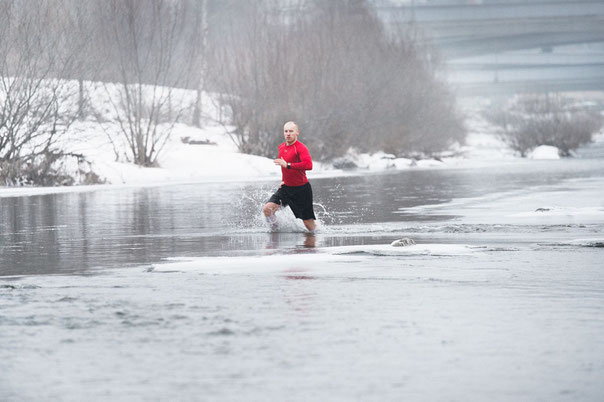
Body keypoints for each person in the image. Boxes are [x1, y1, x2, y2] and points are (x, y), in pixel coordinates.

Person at [263, 121, 316, 232]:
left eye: (291, 131)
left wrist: (288, 165)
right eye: (286, 131)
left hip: (302, 190)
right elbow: (284, 168)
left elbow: (309, 165)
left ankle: (314, 242)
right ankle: (275, 233)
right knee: (267, 209)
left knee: (307, 223)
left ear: (297, 133)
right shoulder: (281, 147)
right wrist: (284, 180)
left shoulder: (300, 148)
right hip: (286, 189)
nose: (288, 134)